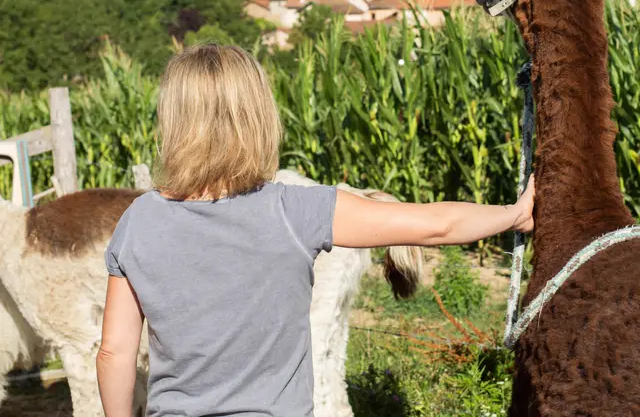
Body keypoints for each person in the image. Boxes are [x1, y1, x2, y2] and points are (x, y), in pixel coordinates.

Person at [97, 43, 535, 417]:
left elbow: (114, 353)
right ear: (258, 117)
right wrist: (514, 214)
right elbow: (436, 225)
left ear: (171, 121)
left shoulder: (139, 220)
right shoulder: (293, 209)